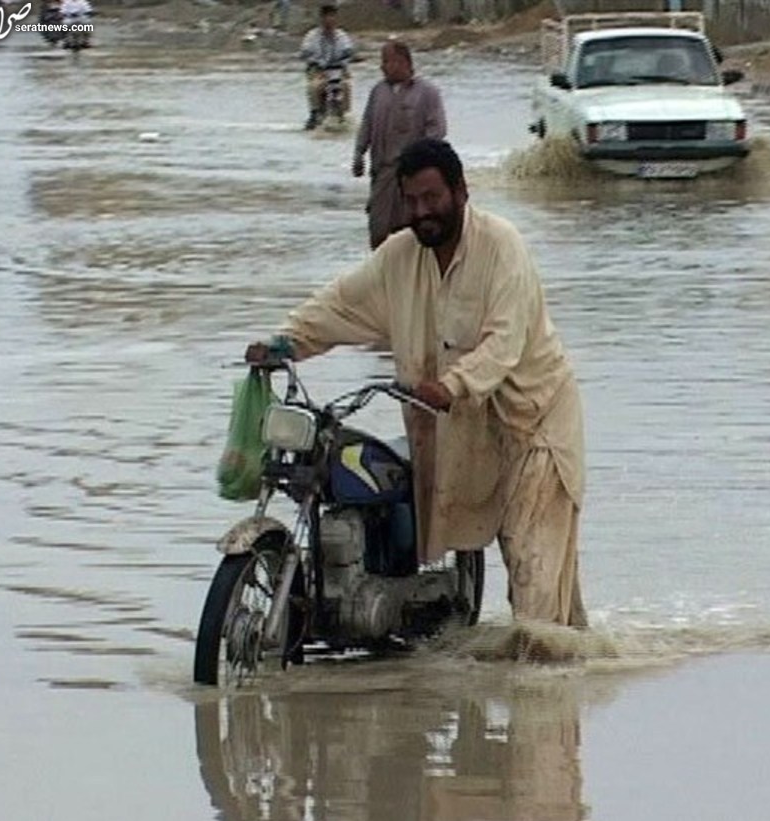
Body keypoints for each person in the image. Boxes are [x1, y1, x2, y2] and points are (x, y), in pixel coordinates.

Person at [247, 139, 588, 628]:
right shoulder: (399, 257)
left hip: (533, 426)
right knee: (547, 593)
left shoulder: (501, 246)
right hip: (458, 428)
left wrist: (451, 384)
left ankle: (545, 684)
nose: (422, 212)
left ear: (461, 192)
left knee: (534, 576)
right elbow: (341, 304)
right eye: (412, 201)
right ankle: (573, 670)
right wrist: (285, 342)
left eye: (433, 199)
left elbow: (503, 342)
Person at [351, 40, 446, 249]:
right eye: (382, 62)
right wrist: (359, 153)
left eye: (387, 61)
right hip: (382, 175)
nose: (383, 66)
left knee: (410, 235)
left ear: (403, 62)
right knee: (379, 232)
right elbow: (366, 124)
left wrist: (422, 163)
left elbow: (437, 131)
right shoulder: (378, 91)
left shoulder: (427, 92)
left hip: (412, 178)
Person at [299, 3, 354, 131]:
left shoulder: (342, 36)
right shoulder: (311, 37)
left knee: (346, 85)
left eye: (332, 17)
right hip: (318, 71)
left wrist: (351, 57)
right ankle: (315, 113)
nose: (330, 20)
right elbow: (306, 54)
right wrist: (315, 63)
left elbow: (348, 52)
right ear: (321, 19)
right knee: (314, 86)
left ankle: (344, 114)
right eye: (327, 17)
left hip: (338, 70)